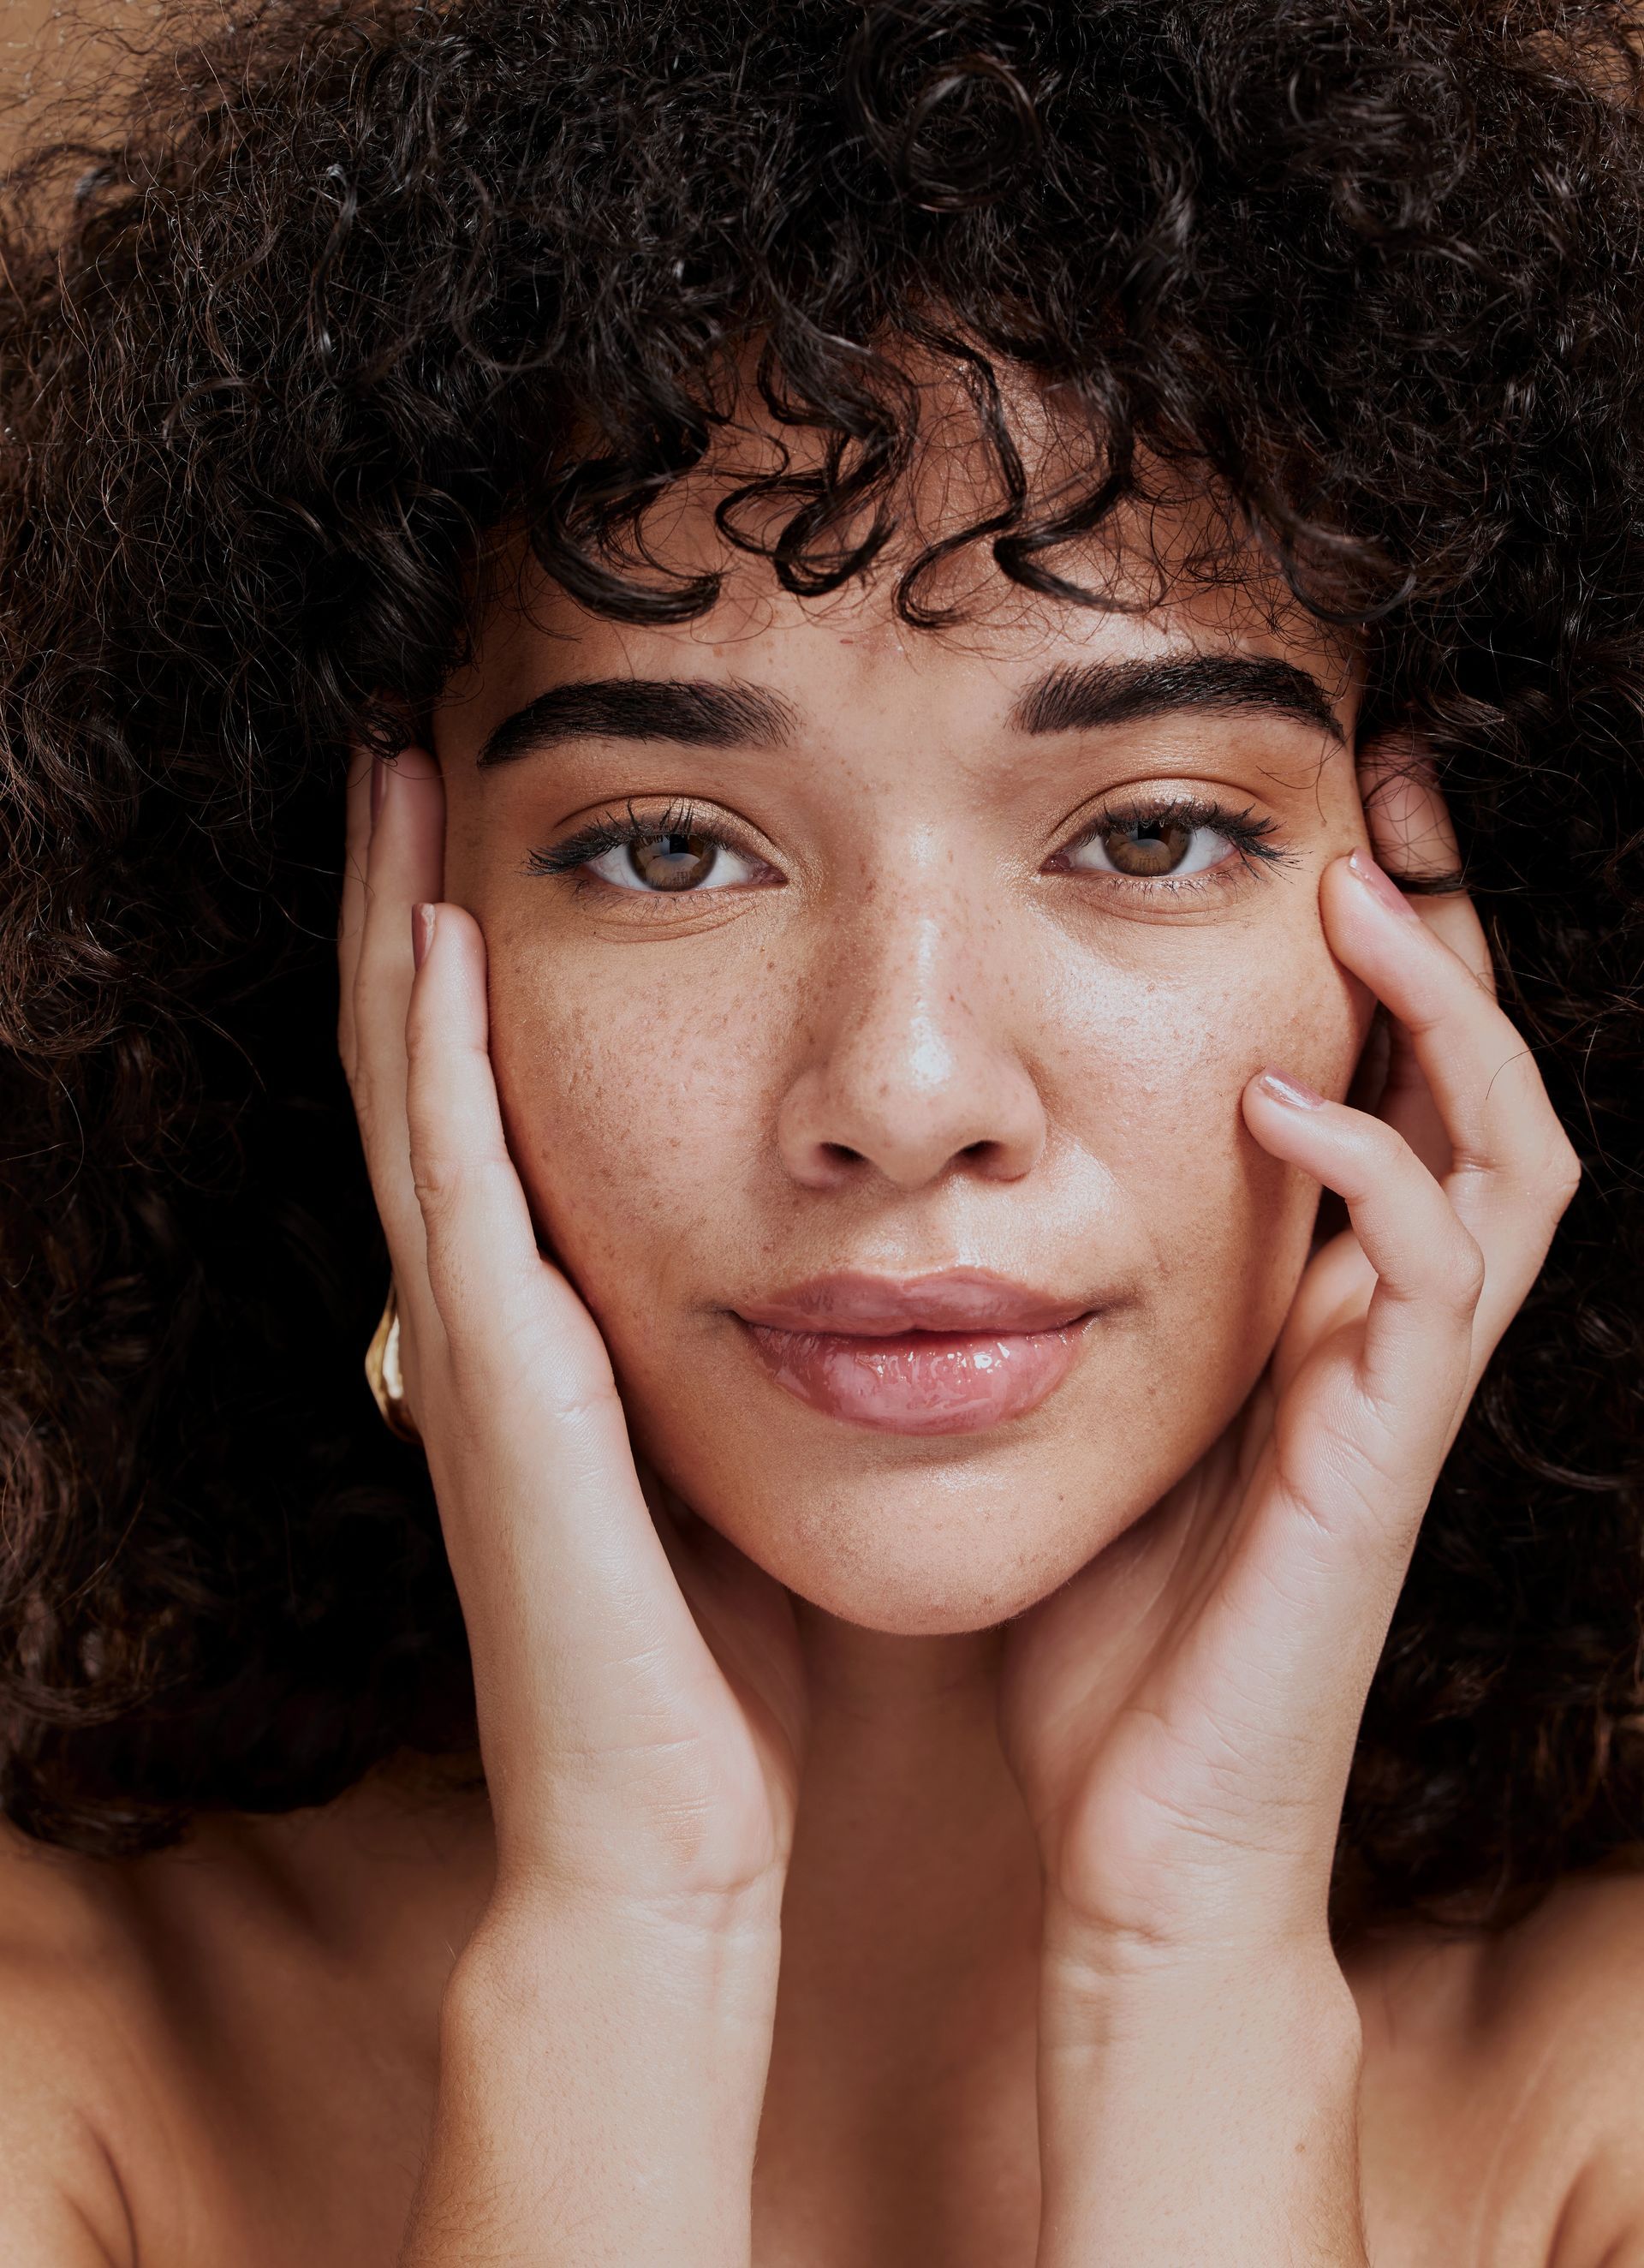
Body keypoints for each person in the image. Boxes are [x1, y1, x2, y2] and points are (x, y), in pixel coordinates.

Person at [1, 0, 1642, 2259]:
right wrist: (623, 1947)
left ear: (1460, 965)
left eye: (1152, 835)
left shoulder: (1603, 2114)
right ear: (369, 938)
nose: (903, 1091)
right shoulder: (62, 2084)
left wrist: (1189, 1963)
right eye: (670, 849)